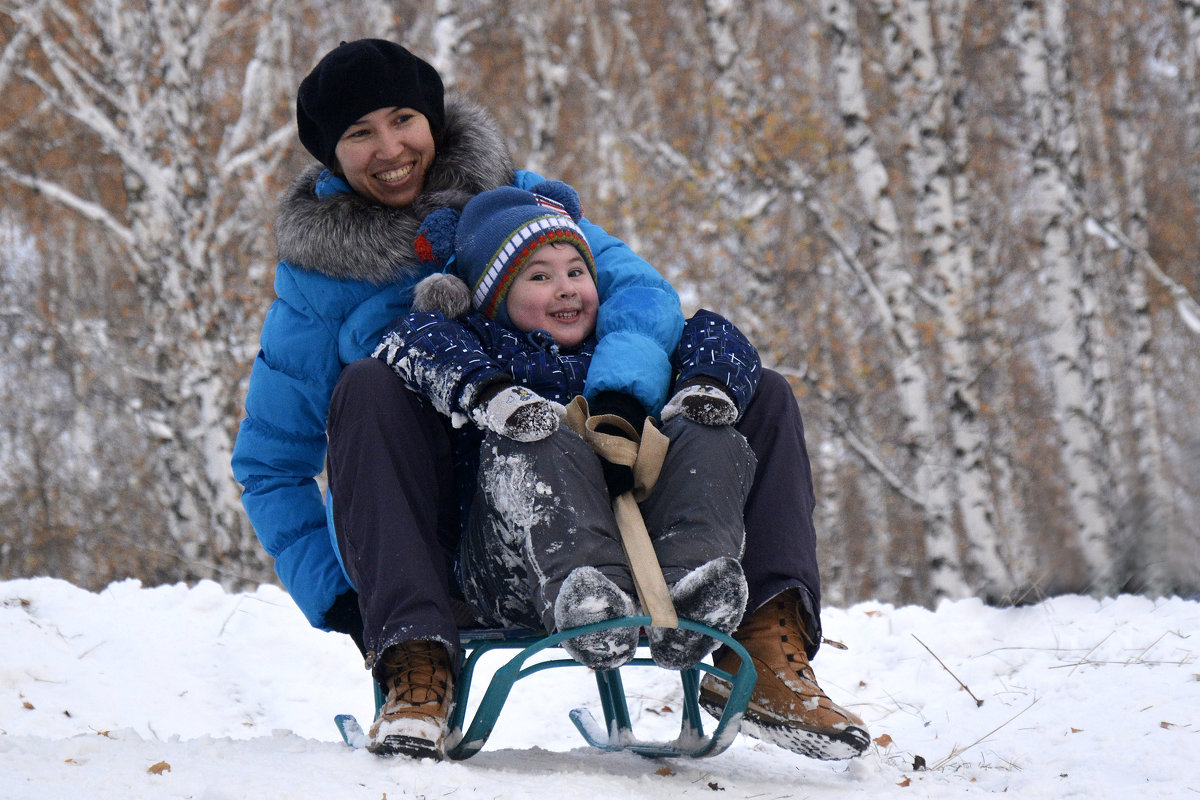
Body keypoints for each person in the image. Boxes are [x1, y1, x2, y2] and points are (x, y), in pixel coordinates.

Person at [231, 38, 868, 762]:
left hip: (600, 484)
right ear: (331, 155)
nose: (389, 148)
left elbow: (638, 293)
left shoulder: (521, 202)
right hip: (456, 541)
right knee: (371, 385)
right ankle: (417, 662)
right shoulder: (318, 283)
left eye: (403, 118)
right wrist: (346, 602)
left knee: (759, 393)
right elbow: (270, 464)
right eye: (358, 133)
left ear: (433, 120)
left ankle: (765, 650)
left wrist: (621, 400)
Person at [376, 179, 757, 689]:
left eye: (577, 271)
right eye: (539, 276)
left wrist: (704, 387)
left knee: (711, 435)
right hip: (511, 569)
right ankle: (589, 600)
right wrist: (491, 394)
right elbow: (410, 339)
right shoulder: (480, 339)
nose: (566, 287)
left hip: (641, 553)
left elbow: (716, 333)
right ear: (494, 296)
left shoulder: (618, 344)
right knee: (541, 434)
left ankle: (688, 588)